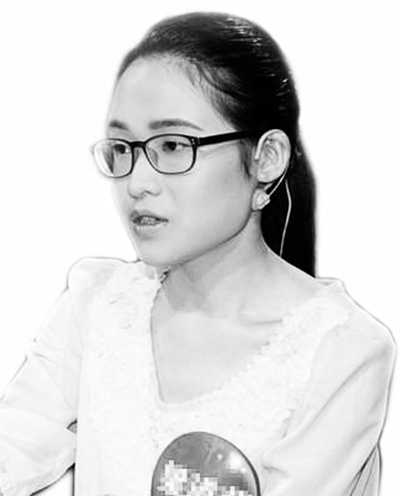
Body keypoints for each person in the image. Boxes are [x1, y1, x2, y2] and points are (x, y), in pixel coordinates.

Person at [0, 11, 395, 496]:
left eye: (172, 145)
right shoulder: (99, 304)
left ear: (266, 158)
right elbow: (15, 445)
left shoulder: (339, 350)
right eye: (123, 147)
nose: (137, 183)